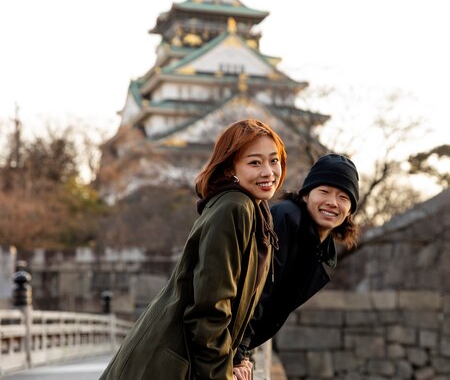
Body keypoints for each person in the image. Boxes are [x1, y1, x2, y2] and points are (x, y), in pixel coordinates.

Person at [99, 119, 287, 380]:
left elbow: (242, 303)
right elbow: (211, 306)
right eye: (254, 162)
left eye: (274, 160)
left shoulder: (251, 208)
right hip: (169, 364)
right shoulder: (235, 207)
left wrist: (239, 356)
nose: (268, 172)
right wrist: (221, 374)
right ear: (230, 166)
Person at [233, 153, 359, 380]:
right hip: (216, 338)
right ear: (305, 194)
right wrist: (239, 353)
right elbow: (256, 290)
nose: (332, 202)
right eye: (324, 192)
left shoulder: (316, 245)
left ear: (349, 210)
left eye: (343, 197)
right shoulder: (285, 219)